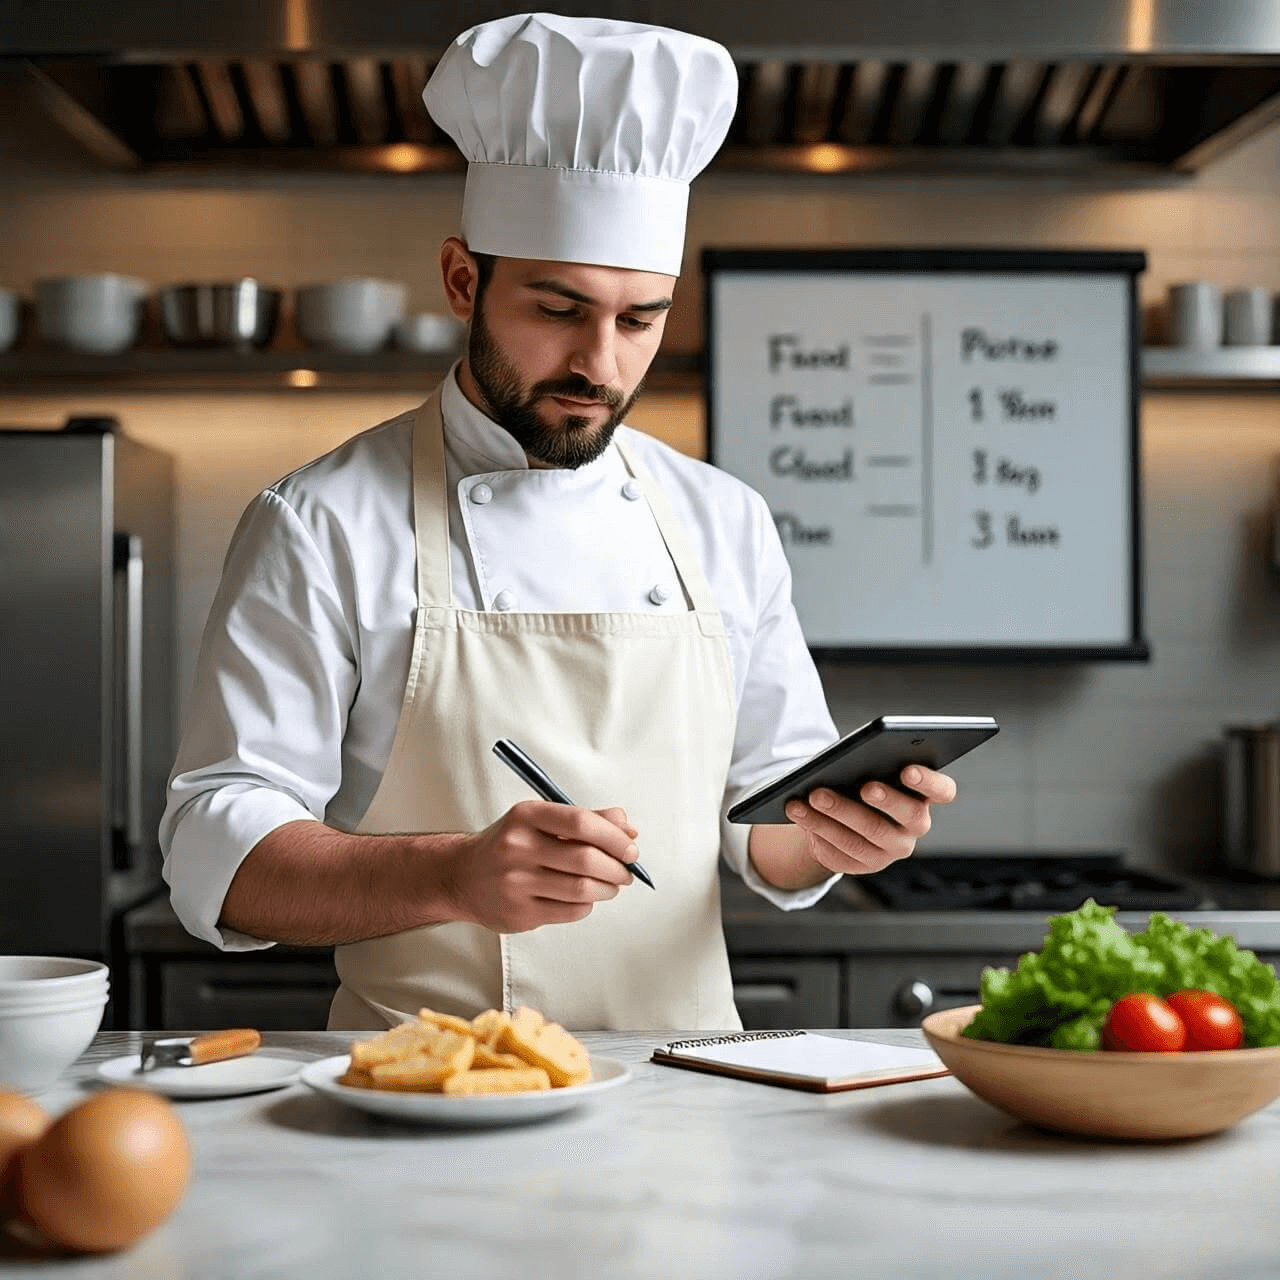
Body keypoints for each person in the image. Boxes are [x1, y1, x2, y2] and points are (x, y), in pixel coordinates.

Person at [159, 13, 958, 1032]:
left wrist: (841, 834)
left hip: (691, 1089)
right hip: (430, 1092)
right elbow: (215, 845)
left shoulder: (723, 520)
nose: (600, 364)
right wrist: (451, 874)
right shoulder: (321, 522)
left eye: (639, 319)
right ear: (463, 280)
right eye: (557, 308)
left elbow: (768, 826)